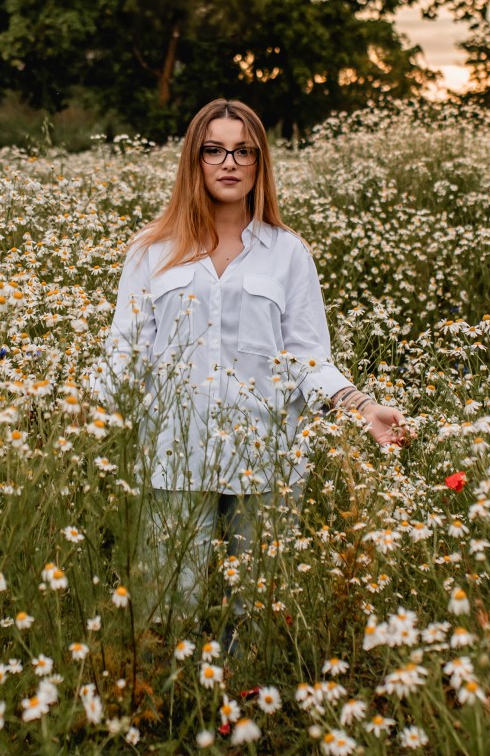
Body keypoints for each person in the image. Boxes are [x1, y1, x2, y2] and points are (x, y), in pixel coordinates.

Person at [89, 98, 406, 627]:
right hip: (173, 454)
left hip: (269, 459)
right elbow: (125, 350)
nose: (229, 163)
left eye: (244, 151)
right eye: (214, 150)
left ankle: (246, 704)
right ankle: (174, 709)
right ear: (195, 160)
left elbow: (307, 355)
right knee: (169, 610)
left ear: (260, 164)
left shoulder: (287, 253)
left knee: (255, 615)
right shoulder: (152, 249)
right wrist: (74, 415)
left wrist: (361, 405)